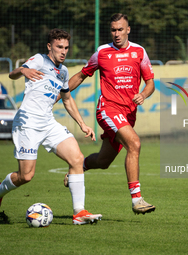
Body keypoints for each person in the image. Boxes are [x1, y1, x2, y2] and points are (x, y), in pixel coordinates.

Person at [0, 28, 102, 225]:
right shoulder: (39, 60)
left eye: (66, 47)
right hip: (28, 123)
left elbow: (67, 100)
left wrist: (82, 124)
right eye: (59, 47)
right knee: (26, 176)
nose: (64, 51)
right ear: (49, 46)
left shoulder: (64, 72)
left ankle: (79, 212)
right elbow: (12, 74)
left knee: (77, 158)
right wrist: (23, 70)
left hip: (48, 122)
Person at [59, 13, 156, 214]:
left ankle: (80, 166)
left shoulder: (139, 52)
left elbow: (150, 83)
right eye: (113, 30)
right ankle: (137, 200)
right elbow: (82, 75)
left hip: (128, 115)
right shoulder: (102, 52)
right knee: (134, 143)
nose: (117, 33)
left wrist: (143, 95)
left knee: (103, 162)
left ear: (128, 30)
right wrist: (57, 96)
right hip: (108, 109)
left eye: (120, 29)